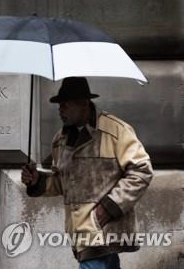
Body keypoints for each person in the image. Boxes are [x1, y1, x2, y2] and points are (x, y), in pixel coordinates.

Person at [21, 77, 153, 269]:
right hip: (81, 234)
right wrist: (37, 181)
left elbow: (141, 172)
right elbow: (62, 182)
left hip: (103, 232)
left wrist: (107, 209)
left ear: (84, 103)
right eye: (59, 105)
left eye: (65, 105)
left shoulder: (115, 131)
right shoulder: (61, 139)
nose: (60, 110)